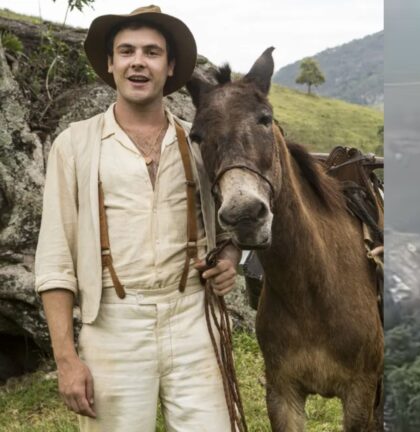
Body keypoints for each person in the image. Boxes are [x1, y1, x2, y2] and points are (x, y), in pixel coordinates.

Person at [34, 6, 240, 431]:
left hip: (194, 320)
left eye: (152, 52)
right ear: (111, 64)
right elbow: (55, 261)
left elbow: (229, 229)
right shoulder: (74, 146)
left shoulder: (200, 141)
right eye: (126, 51)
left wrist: (229, 260)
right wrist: (66, 359)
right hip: (112, 324)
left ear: (170, 67)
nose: (138, 62)